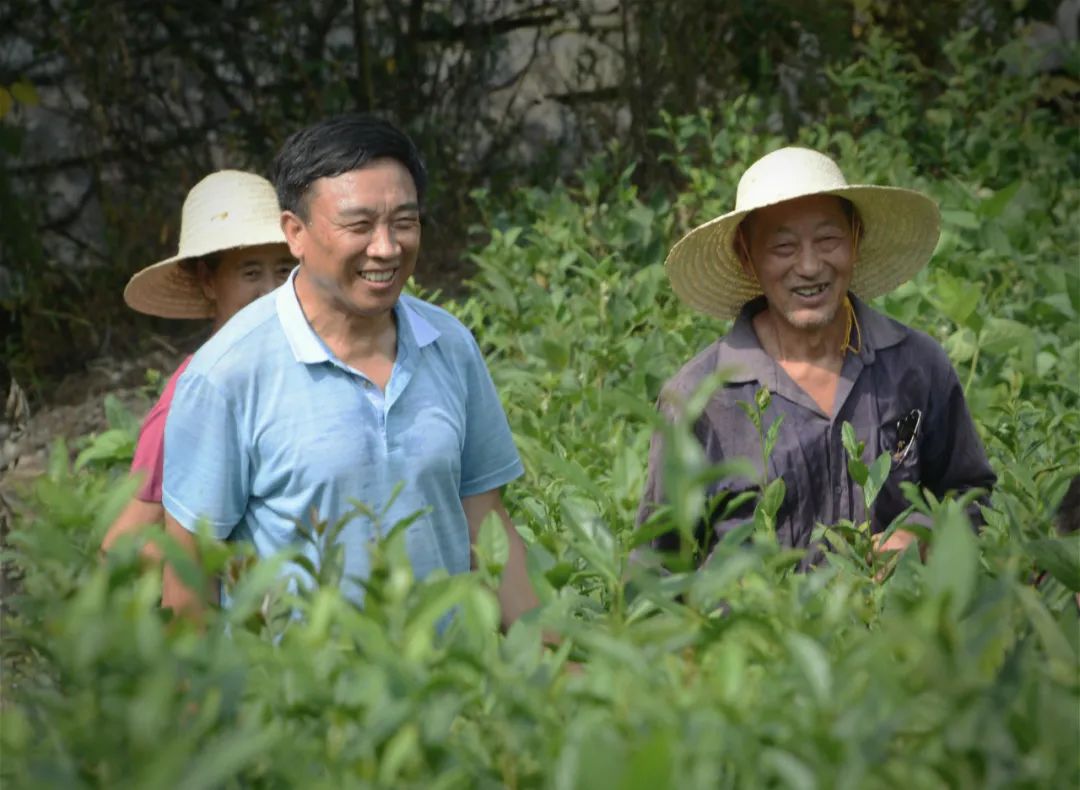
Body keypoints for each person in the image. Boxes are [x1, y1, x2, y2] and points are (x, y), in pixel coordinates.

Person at [160, 114, 539, 628]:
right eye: (359, 226)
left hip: (450, 687)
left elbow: (485, 520)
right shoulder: (226, 375)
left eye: (404, 222)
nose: (386, 248)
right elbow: (190, 575)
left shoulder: (449, 345)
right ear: (294, 232)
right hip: (305, 698)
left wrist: (550, 661)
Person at [638, 146, 997, 568]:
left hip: (900, 629)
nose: (809, 266)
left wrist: (924, 531)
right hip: (754, 633)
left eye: (828, 239)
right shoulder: (698, 399)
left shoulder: (917, 365)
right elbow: (658, 568)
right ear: (746, 255)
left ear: (856, 238)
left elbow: (971, 496)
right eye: (783, 247)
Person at [100, 171, 296, 559]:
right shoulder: (194, 393)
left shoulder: (305, 364)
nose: (272, 290)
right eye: (251, 272)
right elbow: (123, 546)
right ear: (208, 280)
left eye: (284, 269)